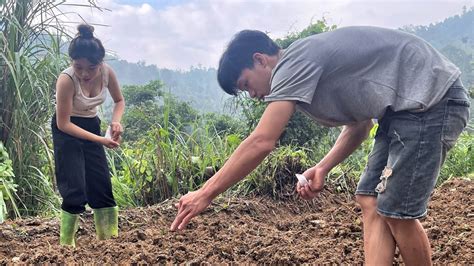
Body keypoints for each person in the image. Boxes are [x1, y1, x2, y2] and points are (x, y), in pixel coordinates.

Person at [171, 26, 470, 264]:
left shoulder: (293, 62)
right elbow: (359, 126)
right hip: (400, 112)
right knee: (369, 200)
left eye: (246, 84)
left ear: (260, 60)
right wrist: (323, 167)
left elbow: (262, 141)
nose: (252, 95)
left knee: (395, 211)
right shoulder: (301, 72)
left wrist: (206, 192)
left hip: (432, 100)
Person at [52, 24, 125, 247]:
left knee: (101, 183)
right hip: (68, 130)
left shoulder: (107, 73)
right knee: (74, 186)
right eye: (78, 66)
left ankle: (109, 242)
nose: (84, 73)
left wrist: (116, 121)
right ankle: (66, 247)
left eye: (91, 68)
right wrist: (101, 140)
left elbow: (119, 101)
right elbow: (63, 123)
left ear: (100, 63)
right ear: (72, 62)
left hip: (91, 126)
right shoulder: (66, 80)